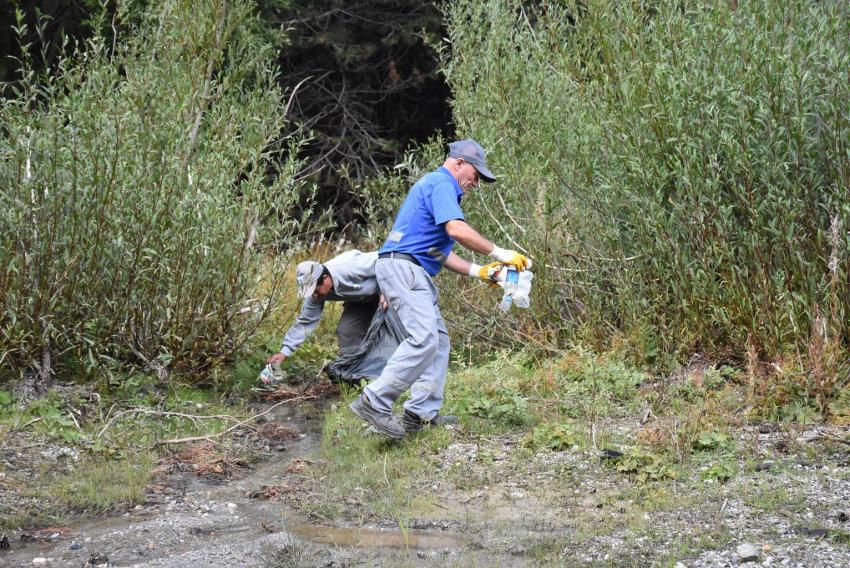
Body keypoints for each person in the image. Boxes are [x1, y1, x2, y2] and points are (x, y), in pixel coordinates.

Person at [349, 139, 531, 438]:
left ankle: (420, 414)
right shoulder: (442, 183)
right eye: (476, 174)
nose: (476, 182)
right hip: (404, 269)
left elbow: (437, 251)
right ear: (459, 163)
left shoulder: (436, 189)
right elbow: (456, 230)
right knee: (423, 339)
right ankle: (374, 400)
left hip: (410, 268)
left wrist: (481, 271)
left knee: (438, 341)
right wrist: (500, 253)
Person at [265, 249, 381, 378]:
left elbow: (387, 260)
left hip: (390, 289)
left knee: (390, 331)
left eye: (315, 290)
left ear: (325, 278)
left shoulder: (349, 266)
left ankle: (395, 371)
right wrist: (284, 352)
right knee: (347, 331)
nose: (314, 294)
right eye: (310, 292)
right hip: (362, 299)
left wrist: (388, 291)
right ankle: (358, 373)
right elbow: (305, 321)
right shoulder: (315, 294)